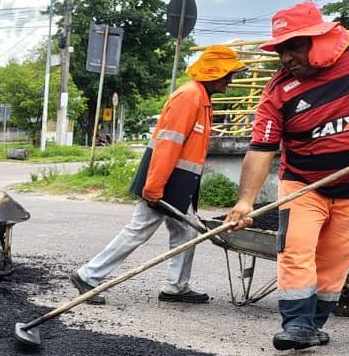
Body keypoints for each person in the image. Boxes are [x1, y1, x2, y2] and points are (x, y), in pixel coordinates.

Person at [224, 2, 349, 350]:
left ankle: (314, 325)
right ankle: (297, 324)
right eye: (280, 50)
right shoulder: (279, 91)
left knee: (337, 256)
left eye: (293, 46)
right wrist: (245, 202)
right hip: (304, 184)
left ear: (320, 37)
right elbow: (261, 149)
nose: (285, 58)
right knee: (296, 250)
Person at [70, 45, 246, 306]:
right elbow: (168, 144)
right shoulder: (189, 97)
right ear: (214, 73)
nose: (230, 81)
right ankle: (88, 275)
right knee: (139, 230)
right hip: (164, 180)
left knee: (186, 231)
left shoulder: (202, 98)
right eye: (228, 74)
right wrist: (154, 186)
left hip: (179, 181)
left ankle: (176, 286)